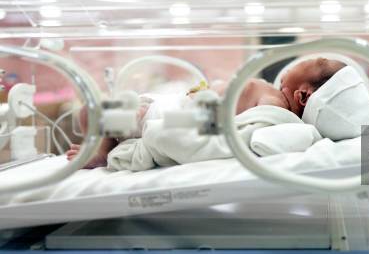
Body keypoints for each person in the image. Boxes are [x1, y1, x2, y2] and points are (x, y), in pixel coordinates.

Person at [67, 57, 346, 168]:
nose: (308, 57)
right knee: (91, 113)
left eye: (316, 62)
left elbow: (235, 134)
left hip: (172, 115)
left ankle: (102, 150)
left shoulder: (276, 107)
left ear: (304, 94)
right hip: (174, 102)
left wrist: (177, 116)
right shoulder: (273, 94)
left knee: (90, 113)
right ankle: (109, 139)